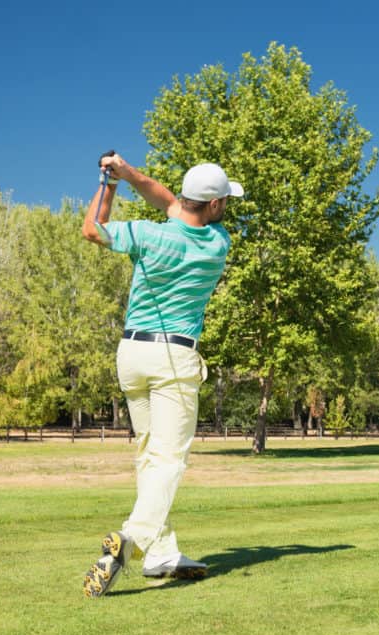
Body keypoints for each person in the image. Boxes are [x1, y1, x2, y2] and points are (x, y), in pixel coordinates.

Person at [80, 151, 243, 598]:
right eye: (224, 201)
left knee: (150, 456)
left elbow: (93, 228)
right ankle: (129, 542)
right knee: (170, 460)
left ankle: (162, 553)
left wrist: (112, 181)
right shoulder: (217, 243)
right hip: (174, 359)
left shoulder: (146, 235)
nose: (226, 207)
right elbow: (172, 203)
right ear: (212, 206)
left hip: (131, 354)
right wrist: (129, 174)